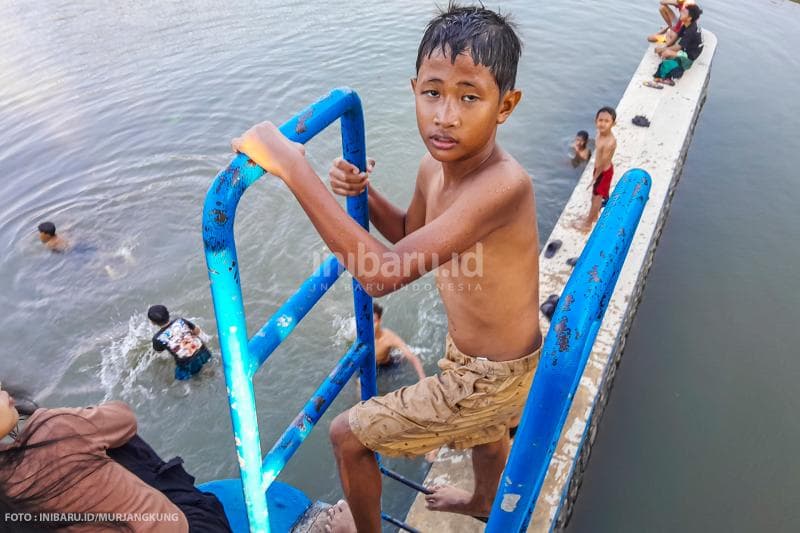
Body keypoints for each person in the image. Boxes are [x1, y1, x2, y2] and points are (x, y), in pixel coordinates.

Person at [232, 4, 541, 531]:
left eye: (470, 97)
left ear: (505, 106)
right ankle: (484, 500)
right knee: (486, 432)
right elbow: (406, 234)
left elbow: (381, 274)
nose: (445, 115)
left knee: (347, 436)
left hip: (492, 376)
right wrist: (364, 192)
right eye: (433, 92)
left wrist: (292, 166)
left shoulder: (503, 185)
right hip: (476, 354)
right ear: (413, 88)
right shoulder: (434, 165)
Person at [0, 385, 231, 532]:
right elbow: (124, 418)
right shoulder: (53, 426)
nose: (3, 392)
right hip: (194, 526)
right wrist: (74, 417)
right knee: (115, 443)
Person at [575, 107, 617, 233]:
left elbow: (604, 162)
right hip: (598, 170)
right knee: (594, 196)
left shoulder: (609, 142)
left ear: (613, 123)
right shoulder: (599, 135)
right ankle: (593, 216)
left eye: (606, 121)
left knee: (597, 198)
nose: (602, 124)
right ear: (595, 121)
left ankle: (588, 224)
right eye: (600, 120)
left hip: (603, 172)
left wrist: (594, 178)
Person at [147, 305, 212, 381]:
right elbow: (197, 331)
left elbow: (159, 352)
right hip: (204, 351)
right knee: (205, 365)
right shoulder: (180, 321)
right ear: (168, 314)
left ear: (153, 322)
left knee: (181, 378)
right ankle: (207, 372)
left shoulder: (157, 338)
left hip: (188, 363)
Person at [372, 303, 426, 381]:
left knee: (410, 358)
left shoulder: (388, 337)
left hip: (386, 365)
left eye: (374, 321)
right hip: (370, 366)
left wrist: (422, 377)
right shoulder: (360, 334)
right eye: (368, 322)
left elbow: (412, 357)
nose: (370, 326)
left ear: (380, 320)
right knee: (359, 382)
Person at [654, 4, 704, 85]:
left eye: (684, 13)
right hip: (685, 51)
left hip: (689, 58)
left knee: (667, 54)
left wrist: (665, 50)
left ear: (689, 18)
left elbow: (678, 47)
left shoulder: (691, 31)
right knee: (664, 52)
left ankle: (673, 76)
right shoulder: (686, 24)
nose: (681, 13)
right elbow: (677, 37)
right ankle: (672, 63)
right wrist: (665, 47)